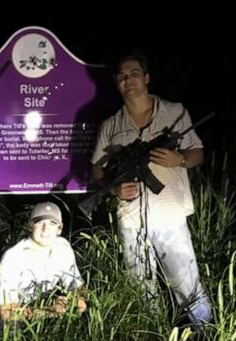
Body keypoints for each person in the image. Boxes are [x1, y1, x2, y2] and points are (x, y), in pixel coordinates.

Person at [91, 50, 212, 326]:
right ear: (117, 83)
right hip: (131, 219)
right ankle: (151, 338)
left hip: (170, 214)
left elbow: (198, 153)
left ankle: (205, 334)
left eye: (134, 74)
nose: (128, 80)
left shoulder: (175, 111)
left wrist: (179, 159)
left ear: (146, 78)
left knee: (187, 282)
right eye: (122, 76)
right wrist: (114, 190)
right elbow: (97, 171)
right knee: (140, 287)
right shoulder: (111, 126)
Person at [0, 202, 86, 326]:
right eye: (40, 223)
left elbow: (77, 286)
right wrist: (52, 311)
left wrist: (76, 300)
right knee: (10, 326)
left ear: (59, 229)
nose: (45, 229)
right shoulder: (14, 256)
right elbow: (7, 312)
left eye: (52, 223)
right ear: (30, 226)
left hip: (35, 304)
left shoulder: (63, 247)